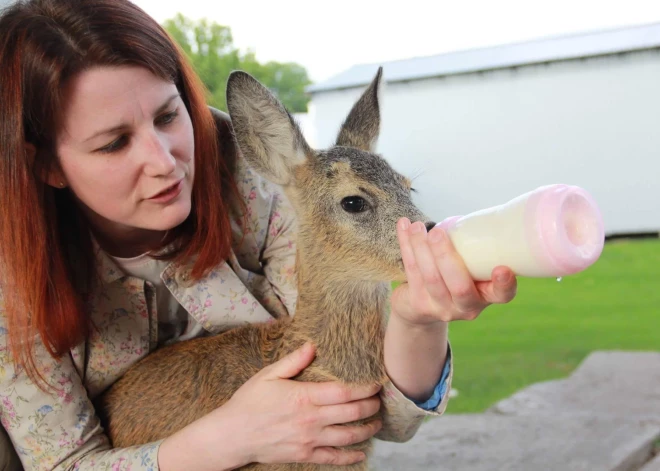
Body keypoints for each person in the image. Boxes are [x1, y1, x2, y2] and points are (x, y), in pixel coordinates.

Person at [0, 0, 518, 470]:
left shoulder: (259, 183)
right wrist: (229, 437)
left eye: (167, 115)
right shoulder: (11, 278)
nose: (164, 163)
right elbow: (61, 463)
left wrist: (416, 317)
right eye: (114, 143)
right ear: (45, 164)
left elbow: (377, 412)